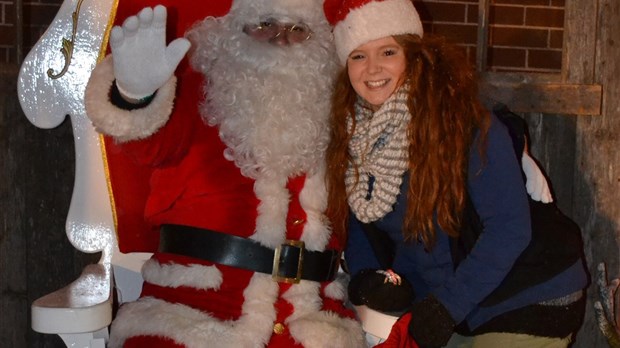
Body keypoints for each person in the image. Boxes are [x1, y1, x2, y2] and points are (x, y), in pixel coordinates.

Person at [84, 0, 365, 347]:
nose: (280, 40)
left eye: (297, 31)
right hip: (192, 310)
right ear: (235, 31)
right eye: (264, 25)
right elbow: (149, 143)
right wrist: (135, 94)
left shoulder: (335, 111)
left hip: (310, 320)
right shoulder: (198, 91)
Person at [322, 0, 589, 347]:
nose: (372, 68)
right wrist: (368, 280)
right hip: (453, 303)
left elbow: (509, 231)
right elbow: (363, 224)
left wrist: (444, 310)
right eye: (358, 55)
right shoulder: (357, 138)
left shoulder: (466, 126)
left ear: (414, 56)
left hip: (524, 295)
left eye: (388, 52)